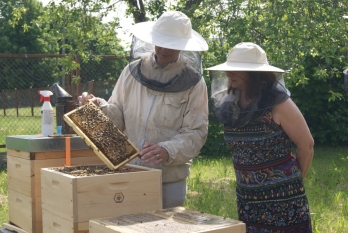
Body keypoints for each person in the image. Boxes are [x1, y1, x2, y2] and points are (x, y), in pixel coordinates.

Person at [78, 11, 209, 209]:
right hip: (126, 171)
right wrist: (99, 107)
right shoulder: (131, 72)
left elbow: (196, 132)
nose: (164, 49)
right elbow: (118, 116)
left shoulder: (194, 83)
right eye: (161, 41)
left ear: (182, 45)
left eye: (171, 44)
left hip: (167, 178)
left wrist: (167, 150)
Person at [207, 42, 314, 232]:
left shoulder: (278, 102)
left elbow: (306, 145)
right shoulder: (229, 103)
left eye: (237, 70)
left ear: (254, 74)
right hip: (248, 200)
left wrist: (294, 182)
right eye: (229, 69)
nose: (229, 74)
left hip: (284, 201)